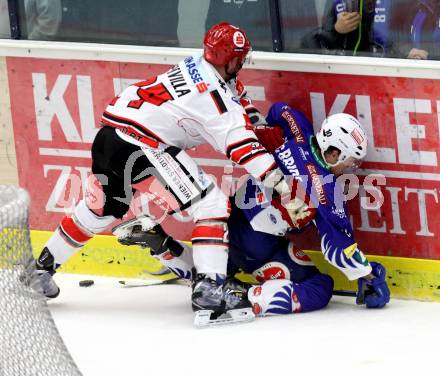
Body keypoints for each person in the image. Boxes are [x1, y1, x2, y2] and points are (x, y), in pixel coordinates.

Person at [29, 22, 300, 319]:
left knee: (103, 208)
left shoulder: (200, 64)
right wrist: (283, 187)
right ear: (230, 59)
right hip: (144, 146)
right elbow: (241, 146)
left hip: (109, 137)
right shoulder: (212, 97)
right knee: (210, 204)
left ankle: (40, 270)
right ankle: (210, 289)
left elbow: (238, 101)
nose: (243, 62)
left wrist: (258, 123)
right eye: (240, 57)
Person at [113, 102, 390, 323]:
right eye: (351, 161)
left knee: (210, 274)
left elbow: (278, 110)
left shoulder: (297, 130)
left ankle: (163, 247)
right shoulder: (327, 190)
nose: (351, 169)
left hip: (228, 221)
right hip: (260, 246)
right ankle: (244, 296)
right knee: (320, 286)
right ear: (333, 153)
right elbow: (339, 251)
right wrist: (368, 274)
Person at [302, 0, 394, 57]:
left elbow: (398, 40)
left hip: (381, 68)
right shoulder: (337, 3)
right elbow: (309, 42)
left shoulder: (387, 4)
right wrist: (336, 30)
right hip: (342, 68)